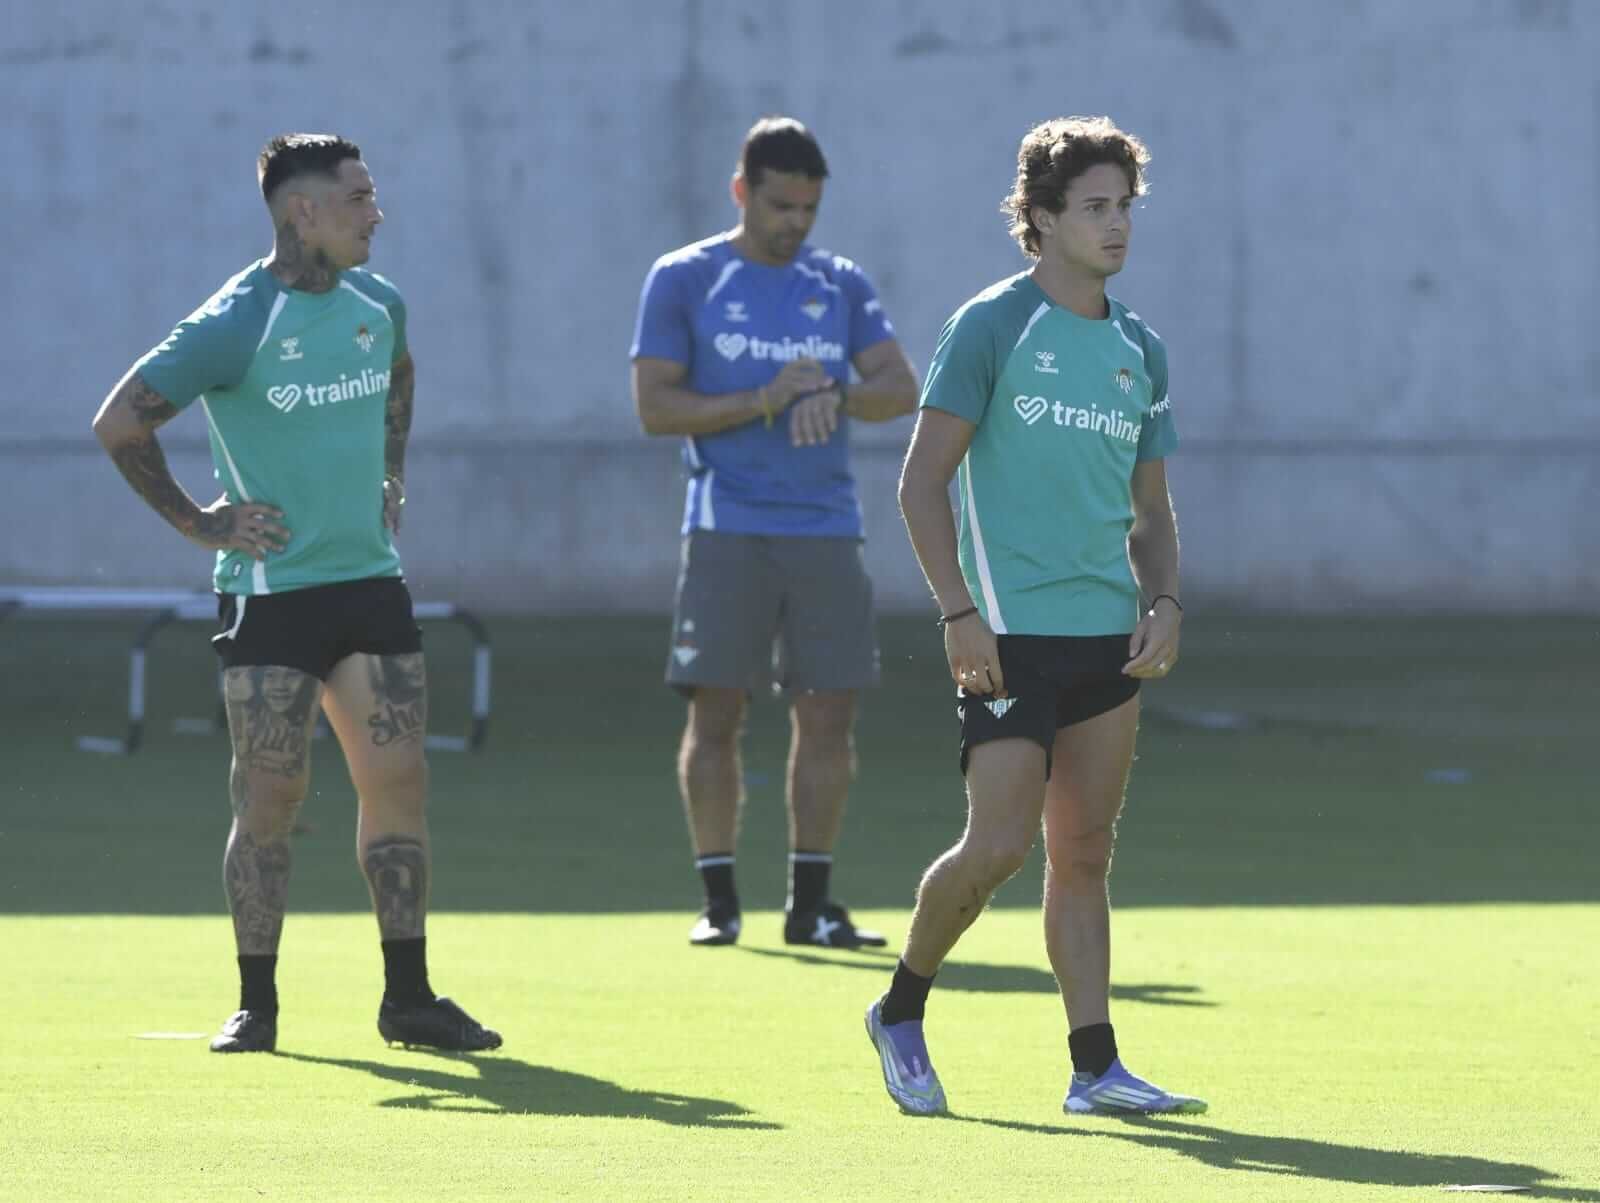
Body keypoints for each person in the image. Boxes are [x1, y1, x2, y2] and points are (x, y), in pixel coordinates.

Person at [91, 133, 500, 1055]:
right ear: (301, 212)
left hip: (370, 585)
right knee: (271, 798)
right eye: (357, 198)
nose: (375, 213)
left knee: (399, 785)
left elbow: (398, 377)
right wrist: (201, 522)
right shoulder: (235, 321)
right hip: (270, 597)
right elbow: (120, 423)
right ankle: (257, 1006)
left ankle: (410, 1000)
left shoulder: (377, 302)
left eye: (373, 194)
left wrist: (392, 470)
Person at [866, 116, 1204, 1116]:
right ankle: (899, 1007)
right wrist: (957, 615)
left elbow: (1150, 510)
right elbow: (920, 485)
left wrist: (1167, 602)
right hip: (1007, 636)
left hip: (1110, 638)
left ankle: (1094, 1068)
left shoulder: (1139, 347)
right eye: (1095, 208)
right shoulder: (990, 325)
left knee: (1084, 854)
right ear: (1043, 218)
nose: (1117, 225)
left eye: (1125, 207)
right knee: (999, 845)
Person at [630, 116, 919, 949]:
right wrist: (762, 398)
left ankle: (811, 904)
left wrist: (838, 390)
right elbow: (655, 406)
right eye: (781, 205)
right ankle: (719, 901)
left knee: (829, 716)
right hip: (727, 527)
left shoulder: (841, 283)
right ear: (742, 192)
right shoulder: (685, 278)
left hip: (827, 529)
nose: (796, 222)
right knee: (717, 715)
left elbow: (898, 386)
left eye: (809, 208)